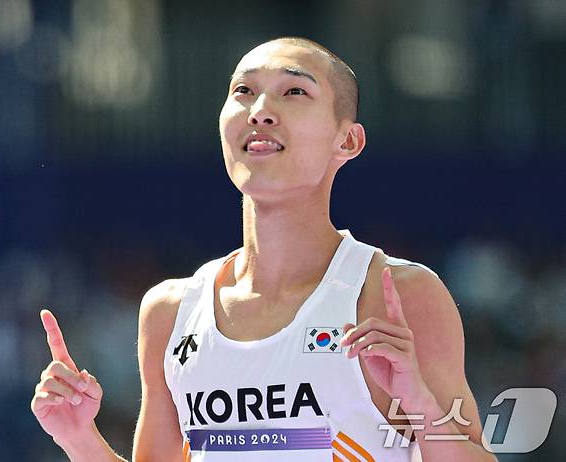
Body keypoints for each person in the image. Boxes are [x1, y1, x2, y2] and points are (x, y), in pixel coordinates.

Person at [31, 37, 498, 462]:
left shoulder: (399, 295)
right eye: (243, 91)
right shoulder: (169, 312)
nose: (260, 110)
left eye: (294, 92)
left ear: (347, 140)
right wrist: (80, 439)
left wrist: (419, 403)